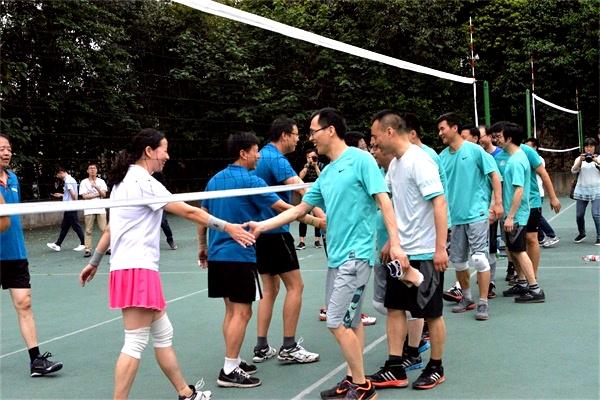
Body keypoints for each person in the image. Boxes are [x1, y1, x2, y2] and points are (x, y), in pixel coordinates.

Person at [79, 128, 254, 399]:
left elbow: (112, 228)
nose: (167, 156)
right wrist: (228, 227)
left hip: (131, 268)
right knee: (134, 343)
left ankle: (185, 393)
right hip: (137, 269)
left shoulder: (122, 182)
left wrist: (94, 261)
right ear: (149, 151)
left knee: (163, 333)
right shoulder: (142, 181)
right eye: (164, 150)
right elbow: (188, 210)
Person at [248, 108, 411, 400]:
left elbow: (384, 201)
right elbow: (299, 210)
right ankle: (353, 379)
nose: (311, 138)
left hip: (356, 257)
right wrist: (262, 226)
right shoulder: (328, 172)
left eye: (314, 131)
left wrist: (395, 243)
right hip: (335, 259)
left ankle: (362, 386)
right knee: (352, 322)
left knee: (335, 321)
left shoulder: (361, 160)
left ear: (331, 130)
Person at [198, 132, 323, 388]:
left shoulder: (214, 179)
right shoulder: (251, 181)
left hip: (218, 255)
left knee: (231, 311)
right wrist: (318, 222)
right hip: (239, 255)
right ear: (243, 153)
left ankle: (234, 360)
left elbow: (202, 216)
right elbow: (287, 209)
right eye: (255, 151)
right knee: (242, 312)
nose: (258, 156)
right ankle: (229, 369)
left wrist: (202, 247)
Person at [367, 111, 448, 391]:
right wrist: (391, 242)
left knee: (431, 312)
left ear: (390, 132)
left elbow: (439, 203)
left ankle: (435, 367)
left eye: (376, 136)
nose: (374, 143)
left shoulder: (420, 161)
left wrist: (440, 248)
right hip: (401, 254)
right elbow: (395, 206)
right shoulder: (395, 165)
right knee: (395, 308)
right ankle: (395, 367)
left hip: (425, 253)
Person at [251, 116, 320, 365]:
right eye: (296, 134)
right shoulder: (276, 159)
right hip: (275, 233)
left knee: (270, 290)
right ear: (284, 136)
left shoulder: (260, 156)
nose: (298, 139)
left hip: (259, 233)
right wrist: (322, 216)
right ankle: (289, 347)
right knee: (296, 286)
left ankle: (261, 346)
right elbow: (303, 189)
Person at [0, 134, 63, 377]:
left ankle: (36, 360)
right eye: (1, 149)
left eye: (8, 148)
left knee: (24, 303)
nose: (6, 152)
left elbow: (10, 219)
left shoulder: (13, 178)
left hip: (15, 252)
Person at [438, 113, 503, 321]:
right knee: (458, 263)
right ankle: (467, 298)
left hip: (477, 213)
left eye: (442, 129)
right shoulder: (441, 157)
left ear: (454, 128)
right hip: (455, 218)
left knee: (479, 258)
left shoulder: (474, 150)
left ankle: (483, 302)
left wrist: (497, 203)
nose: (440, 133)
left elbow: (494, 175)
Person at [490, 122, 545, 303]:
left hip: (517, 215)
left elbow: (519, 190)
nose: (496, 139)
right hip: (513, 214)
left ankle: (535, 289)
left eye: (499, 136)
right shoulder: (516, 157)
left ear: (509, 138)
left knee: (519, 251)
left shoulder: (516, 161)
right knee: (513, 251)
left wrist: (511, 216)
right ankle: (522, 283)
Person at [524, 138, 560, 247]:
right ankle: (541, 238)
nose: (526, 148)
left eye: (529, 146)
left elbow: (542, 174)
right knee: (532, 217)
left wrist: (553, 197)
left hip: (537, 192)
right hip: (528, 193)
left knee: (537, 217)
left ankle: (551, 235)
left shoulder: (538, 159)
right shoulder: (522, 156)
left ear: (535, 147)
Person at [46, 166, 86, 252]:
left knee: (76, 226)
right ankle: (58, 244)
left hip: (70, 206)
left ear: (61, 172)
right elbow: (70, 194)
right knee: (65, 226)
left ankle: (84, 243)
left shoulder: (68, 180)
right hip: (69, 206)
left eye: (57, 174)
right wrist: (62, 195)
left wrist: (74, 202)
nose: (57, 176)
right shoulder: (71, 179)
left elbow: (73, 195)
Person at [571, 137, 600, 244]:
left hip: (597, 189)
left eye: (591, 146)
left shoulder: (599, 158)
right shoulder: (580, 159)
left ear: (595, 147)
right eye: (587, 146)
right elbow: (573, 170)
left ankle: (599, 236)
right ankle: (582, 233)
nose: (589, 149)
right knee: (579, 215)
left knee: (596, 214)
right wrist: (580, 161)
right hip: (582, 189)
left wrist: (596, 160)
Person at [79, 162, 108, 257]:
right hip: (89, 209)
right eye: (90, 168)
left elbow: (104, 194)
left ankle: (108, 248)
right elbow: (84, 196)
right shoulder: (84, 182)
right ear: (87, 171)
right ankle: (87, 249)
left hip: (101, 208)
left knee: (104, 229)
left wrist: (96, 188)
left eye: (94, 168)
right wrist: (97, 194)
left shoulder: (101, 181)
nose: (92, 170)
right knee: (88, 230)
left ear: (97, 170)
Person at [297, 148, 324, 250]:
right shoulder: (305, 166)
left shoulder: (321, 165)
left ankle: (317, 240)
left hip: (318, 193)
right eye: (308, 157)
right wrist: (307, 165)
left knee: (317, 215)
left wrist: (316, 166)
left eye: (313, 157)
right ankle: (302, 241)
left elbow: (322, 178)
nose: (311, 159)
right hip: (306, 192)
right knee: (303, 215)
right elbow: (300, 177)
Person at [154, 172, 178, 250]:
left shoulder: (158, 174)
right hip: (146, 203)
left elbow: (164, 185)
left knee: (163, 222)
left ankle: (170, 240)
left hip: (159, 202)